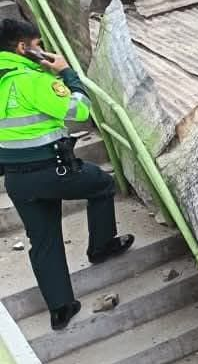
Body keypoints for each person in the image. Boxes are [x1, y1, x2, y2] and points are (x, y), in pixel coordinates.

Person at [0, 17, 133, 330]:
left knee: (43, 238)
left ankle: (61, 309)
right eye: (38, 46)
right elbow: (80, 111)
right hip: (54, 169)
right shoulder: (31, 79)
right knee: (102, 184)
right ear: (23, 47)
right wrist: (65, 73)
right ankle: (100, 246)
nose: (42, 50)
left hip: (17, 180)